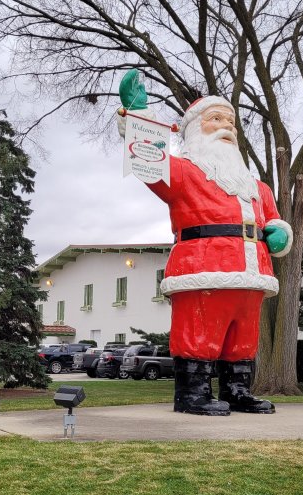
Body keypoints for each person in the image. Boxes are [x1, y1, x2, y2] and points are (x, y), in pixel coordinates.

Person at [118, 72, 292, 416]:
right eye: (216, 119)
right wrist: (139, 117)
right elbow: (148, 162)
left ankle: (237, 389)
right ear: (196, 130)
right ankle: (193, 393)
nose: (227, 126)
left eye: (231, 121)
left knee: (243, 338)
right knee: (199, 331)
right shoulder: (183, 172)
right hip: (202, 269)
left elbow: (272, 220)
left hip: (251, 275)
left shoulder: (258, 187)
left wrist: (279, 234)